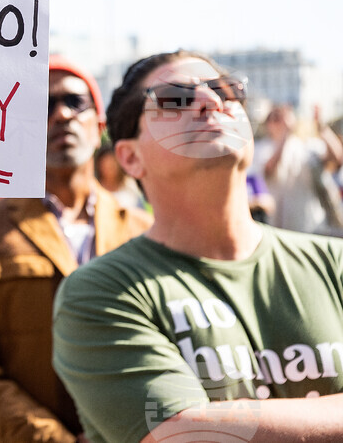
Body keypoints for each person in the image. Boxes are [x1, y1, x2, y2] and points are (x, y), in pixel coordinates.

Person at [52, 51, 343, 443]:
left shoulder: (333, 263)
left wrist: (219, 420)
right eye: (175, 98)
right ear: (130, 157)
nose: (211, 101)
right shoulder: (98, 293)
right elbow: (187, 435)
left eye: (228, 91)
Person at [0, 55, 151, 443]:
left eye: (74, 103)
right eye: (43, 106)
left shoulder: (145, 231)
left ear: (99, 124)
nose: (61, 116)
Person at [253, 104, 343, 235]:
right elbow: (269, 169)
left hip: (312, 225)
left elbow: (336, 158)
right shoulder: (262, 148)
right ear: (267, 125)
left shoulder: (307, 145)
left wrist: (322, 127)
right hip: (279, 228)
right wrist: (285, 134)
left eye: (284, 116)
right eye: (275, 117)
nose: (281, 121)